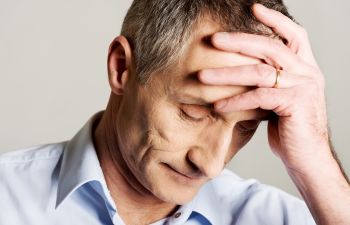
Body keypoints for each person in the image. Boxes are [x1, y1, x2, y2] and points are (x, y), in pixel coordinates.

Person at [0, 0, 349, 224]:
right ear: (122, 68)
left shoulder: (279, 217)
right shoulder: (7, 197)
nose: (211, 164)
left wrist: (316, 160)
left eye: (245, 127)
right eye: (194, 112)